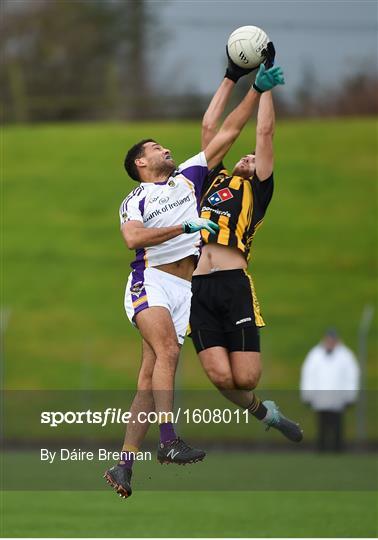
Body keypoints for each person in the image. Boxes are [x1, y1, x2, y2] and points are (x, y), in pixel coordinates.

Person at [104, 59, 285, 498]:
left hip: (185, 290)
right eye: (156, 148)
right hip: (151, 281)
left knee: (149, 378)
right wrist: (183, 229)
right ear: (141, 163)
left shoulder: (188, 178)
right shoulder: (137, 197)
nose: (166, 149)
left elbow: (227, 132)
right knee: (167, 350)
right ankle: (168, 441)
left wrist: (256, 90)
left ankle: (123, 465)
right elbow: (132, 239)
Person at [189, 44, 303, 443]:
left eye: (256, 159)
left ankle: (263, 403)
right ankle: (264, 413)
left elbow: (264, 131)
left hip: (234, 285)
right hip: (199, 287)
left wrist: (266, 83)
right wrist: (231, 75)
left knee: (247, 376)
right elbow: (210, 128)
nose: (249, 158)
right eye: (247, 156)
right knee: (221, 377)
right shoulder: (214, 179)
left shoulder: (258, 193)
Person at [300, 328, 360, 452]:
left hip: (338, 398)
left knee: (337, 424)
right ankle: (321, 448)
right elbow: (308, 375)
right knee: (322, 424)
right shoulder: (315, 354)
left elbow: (352, 376)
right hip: (320, 398)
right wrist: (307, 394)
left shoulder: (346, 355)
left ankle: (338, 449)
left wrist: (350, 396)